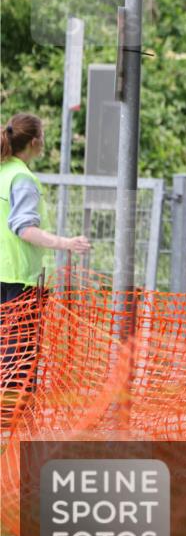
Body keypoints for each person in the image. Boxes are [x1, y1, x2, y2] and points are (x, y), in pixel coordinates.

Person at [1, 113, 90, 426]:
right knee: (18, 356)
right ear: (35, 142)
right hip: (20, 280)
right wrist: (66, 243)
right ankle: (11, 426)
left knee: (7, 351)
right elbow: (24, 228)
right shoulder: (22, 179)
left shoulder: (3, 172)